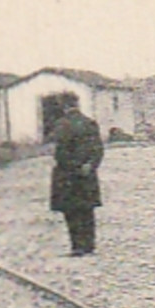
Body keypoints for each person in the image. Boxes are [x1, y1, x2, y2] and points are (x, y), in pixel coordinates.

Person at [48, 95, 104, 256]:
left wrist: (70, 166)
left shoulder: (61, 125)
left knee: (71, 211)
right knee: (87, 209)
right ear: (77, 105)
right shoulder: (90, 123)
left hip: (67, 174)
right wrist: (90, 165)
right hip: (86, 174)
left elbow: (60, 152)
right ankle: (89, 244)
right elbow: (98, 149)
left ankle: (77, 246)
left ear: (64, 107)